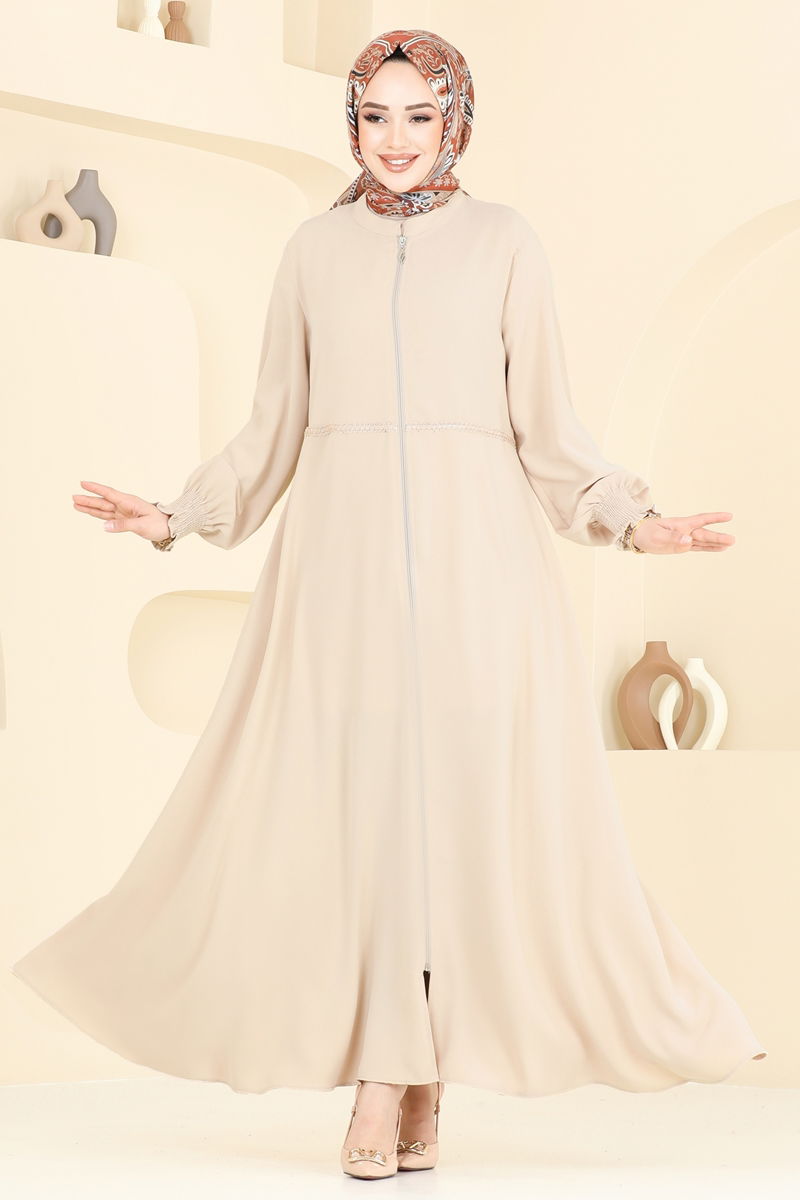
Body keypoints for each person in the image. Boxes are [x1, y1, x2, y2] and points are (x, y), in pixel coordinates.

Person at [11, 28, 766, 1181]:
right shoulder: (313, 251)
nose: (396, 138)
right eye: (375, 114)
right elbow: (272, 427)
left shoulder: (505, 243)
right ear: (352, 122)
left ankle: (403, 1075)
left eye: (420, 115)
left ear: (454, 118)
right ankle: (392, 1069)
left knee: (457, 819)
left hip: (481, 574)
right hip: (341, 573)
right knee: (363, 819)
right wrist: (173, 515)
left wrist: (631, 517)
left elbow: (547, 428)